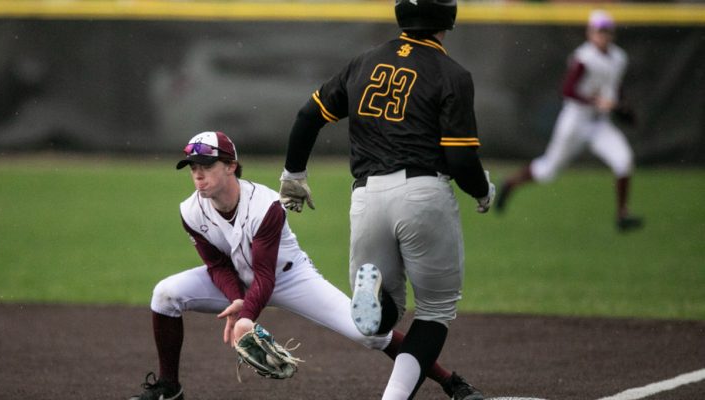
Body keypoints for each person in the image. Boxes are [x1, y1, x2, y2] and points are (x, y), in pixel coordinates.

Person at [129, 131, 481, 400]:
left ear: (231, 166)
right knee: (165, 294)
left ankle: (452, 383)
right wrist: (237, 299)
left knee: (371, 334)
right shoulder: (191, 210)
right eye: (192, 167)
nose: (197, 175)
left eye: (206, 166)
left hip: (289, 277)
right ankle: (169, 388)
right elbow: (217, 264)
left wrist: (247, 315)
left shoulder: (265, 204)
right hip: (237, 278)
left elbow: (265, 276)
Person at [277, 0, 493, 398]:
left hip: (366, 196)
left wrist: (294, 174)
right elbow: (461, 158)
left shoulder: (364, 62)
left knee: (378, 320)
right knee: (434, 312)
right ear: (447, 18)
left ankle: (372, 298)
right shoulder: (452, 73)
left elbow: (308, 116)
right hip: (423, 193)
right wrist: (482, 190)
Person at [495, 10, 643, 232]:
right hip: (575, 120)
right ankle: (510, 183)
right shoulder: (584, 58)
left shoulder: (619, 58)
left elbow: (614, 88)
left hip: (599, 124)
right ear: (590, 32)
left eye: (607, 31)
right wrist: (595, 101)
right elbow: (566, 90)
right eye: (599, 30)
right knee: (548, 170)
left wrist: (621, 105)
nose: (603, 35)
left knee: (623, 160)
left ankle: (622, 215)